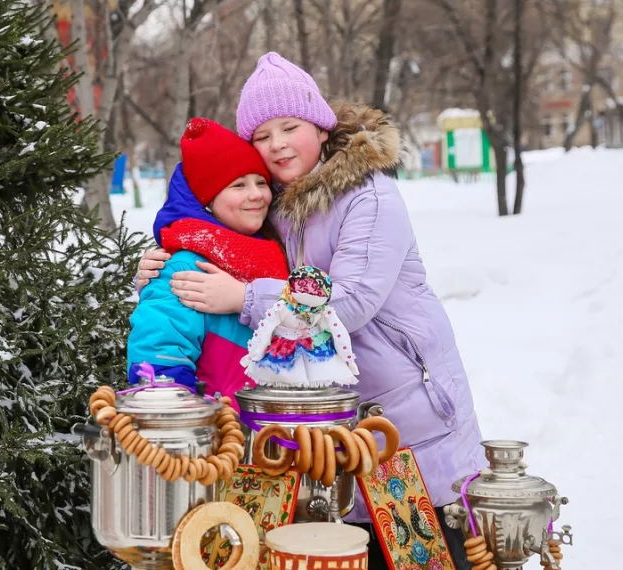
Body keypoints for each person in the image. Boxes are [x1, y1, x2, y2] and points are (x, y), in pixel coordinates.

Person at [135, 53, 486, 569]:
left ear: (322, 128)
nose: (276, 144)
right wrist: (161, 262)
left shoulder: (369, 196)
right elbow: (211, 223)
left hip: (409, 426)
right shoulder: (274, 205)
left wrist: (246, 298)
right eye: (262, 135)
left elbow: (356, 300)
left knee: (426, 556)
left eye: (290, 127)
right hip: (329, 435)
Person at [127, 118, 289, 405]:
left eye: (261, 182)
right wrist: (193, 427)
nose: (256, 195)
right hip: (220, 437)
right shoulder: (183, 267)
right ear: (207, 202)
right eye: (238, 185)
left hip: (274, 435)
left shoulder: (276, 254)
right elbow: (159, 363)